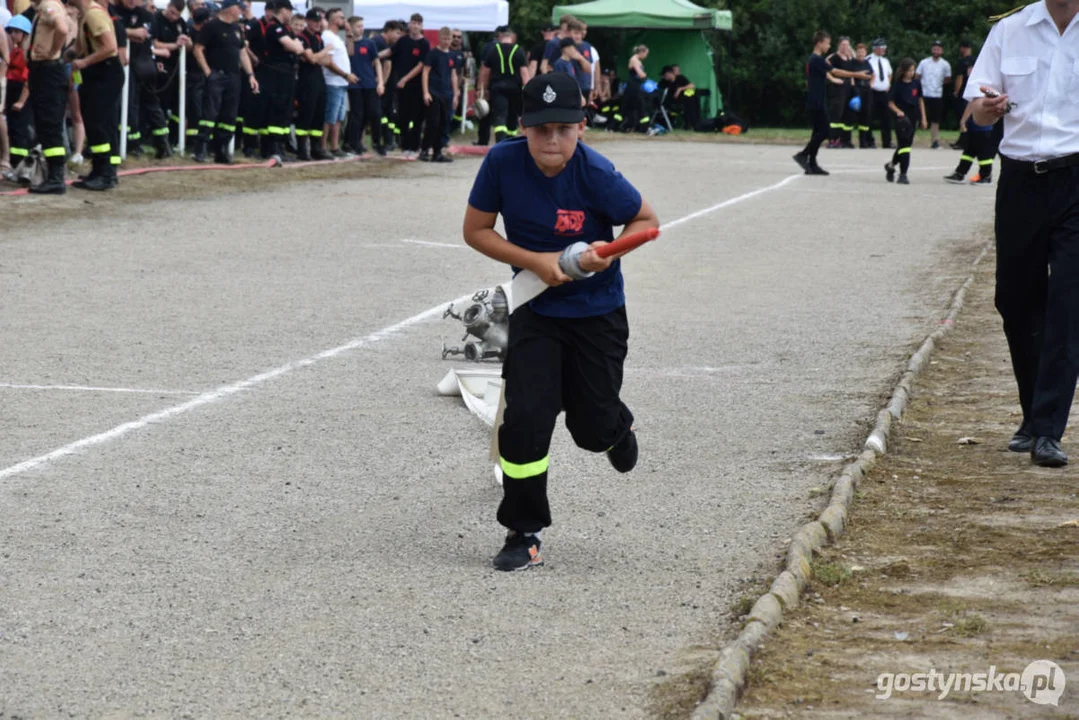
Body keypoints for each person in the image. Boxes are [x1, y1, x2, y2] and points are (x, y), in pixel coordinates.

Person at [462, 72, 659, 571]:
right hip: (536, 311)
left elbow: (646, 222)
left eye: (565, 128)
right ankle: (523, 529)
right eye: (542, 128)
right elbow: (476, 230)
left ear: (582, 127)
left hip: (598, 316)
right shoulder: (502, 163)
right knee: (526, 417)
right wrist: (535, 260)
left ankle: (616, 427)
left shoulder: (595, 172)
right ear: (522, 125)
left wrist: (609, 255)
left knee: (590, 428)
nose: (553, 139)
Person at [965, 0, 1079, 467]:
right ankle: (1033, 415)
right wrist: (988, 110)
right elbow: (976, 112)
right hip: (1020, 180)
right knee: (1014, 299)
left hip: (1076, 179)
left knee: (1068, 302)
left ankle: (1049, 429)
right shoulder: (1010, 30)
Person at [193, 0, 257, 163]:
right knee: (210, 113)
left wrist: (250, 75)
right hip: (217, 75)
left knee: (229, 115)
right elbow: (198, 49)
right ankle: (200, 148)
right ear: (230, 9)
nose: (242, 11)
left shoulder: (236, 28)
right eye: (239, 8)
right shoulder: (212, 26)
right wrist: (208, 72)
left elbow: (242, 53)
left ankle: (221, 150)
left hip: (234, 76)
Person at [70, 0, 121, 190]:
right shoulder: (85, 15)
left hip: (105, 72)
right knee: (94, 122)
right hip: (97, 73)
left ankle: (106, 174)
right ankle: (99, 170)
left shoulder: (93, 14)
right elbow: (80, 47)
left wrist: (85, 62)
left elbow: (110, 47)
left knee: (98, 123)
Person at [27, 0, 71, 193]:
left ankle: (56, 178)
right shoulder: (41, 8)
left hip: (48, 71)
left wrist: (54, 51)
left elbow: (61, 29)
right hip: (42, 70)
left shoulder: (49, 5)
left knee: (50, 123)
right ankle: (52, 175)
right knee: (46, 123)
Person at [259, 0, 303, 160]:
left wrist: (295, 44)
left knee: (285, 110)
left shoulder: (286, 29)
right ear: (284, 10)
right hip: (277, 75)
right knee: (277, 110)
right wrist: (295, 44)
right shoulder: (274, 27)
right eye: (290, 11)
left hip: (286, 74)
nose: (291, 15)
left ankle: (280, 147)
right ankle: (273, 148)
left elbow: (298, 46)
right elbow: (296, 47)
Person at [793, 30, 838, 176]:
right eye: (827, 43)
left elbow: (825, 73)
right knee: (824, 130)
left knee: (817, 131)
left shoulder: (816, 60)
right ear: (819, 43)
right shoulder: (816, 59)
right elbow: (835, 71)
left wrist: (832, 79)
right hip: (816, 101)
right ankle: (803, 154)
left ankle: (812, 163)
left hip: (818, 99)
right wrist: (857, 74)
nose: (829, 46)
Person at [153, 0, 191, 148]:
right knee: (161, 102)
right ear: (168, 7)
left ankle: (174, 137)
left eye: (177, 15)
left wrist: (186, 42)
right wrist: (175, 45)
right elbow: (154, 43)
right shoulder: (156, 18)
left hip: (177, 68)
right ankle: (158, 139)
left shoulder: (181, 23)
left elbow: (189, 46)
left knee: (177, 103)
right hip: (160, 65)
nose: (174, 17)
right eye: (172, 12)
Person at [344, 15, 384, 155]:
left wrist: (380, 82)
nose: (362, 29)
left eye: (362, 26)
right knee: (357, 115)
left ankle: (377, 142)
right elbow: (349, 54)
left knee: (374, 113)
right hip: (354, 85)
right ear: (351, 27)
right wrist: (349, 38)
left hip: (370, 84)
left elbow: (377, 62)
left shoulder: (369, 43)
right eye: (358, 26)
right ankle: (354, 144)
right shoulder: (347, 44)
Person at [479, 24, 525, 144]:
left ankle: (500, 142)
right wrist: (527, 89)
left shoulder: (493, 50)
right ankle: (511, 142)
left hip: (498, 89)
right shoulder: (518, 50)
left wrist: (483, 89)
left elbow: (485, 72)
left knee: (500, 115)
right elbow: (524, 73)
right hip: (515, 89)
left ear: (501, 38)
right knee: (512, 116)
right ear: (512, 38)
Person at [321, 7, 356, 158]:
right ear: (334, 20)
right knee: (329, 116)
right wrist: (345, 74)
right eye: (342, 18)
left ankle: (335, 147)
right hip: (332, 81)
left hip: (341, 83)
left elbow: (350, 53)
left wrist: (349, 36)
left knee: (338, 117)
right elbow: (328, 62)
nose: (345, 21)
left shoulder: (337, 37)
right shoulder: (327, 36)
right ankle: (322, 147)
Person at [884, 57, 926, 184]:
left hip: (913, 117)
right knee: (905, 146)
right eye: (909, 70)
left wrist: (923, 117)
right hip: (901, 118)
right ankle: (903, 174)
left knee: (904, 146)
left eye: (913, 70)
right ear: (903, 71)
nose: (911, 73)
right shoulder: (897, 85)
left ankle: (891, 166)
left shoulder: (916, 84)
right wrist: (898, 111)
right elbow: (890, 103)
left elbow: (920, 100)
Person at [391, 12, 427, 159]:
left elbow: (420, 65)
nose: (415, 26)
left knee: (417, 118)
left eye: (418, 23)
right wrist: (375, 56)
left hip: (416, 86)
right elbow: (391, 52)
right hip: (402, 86)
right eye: (413, 23)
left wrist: (405, 79)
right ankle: (405, 146)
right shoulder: (403, 41)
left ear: (421, 26)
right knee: (403, 116)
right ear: (409, 24)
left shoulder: (424, 44)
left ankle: (415, 146)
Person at [419, 25, 456, 163]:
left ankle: (437, 152)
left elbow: (453, 75)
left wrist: (456, 94)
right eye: (444, 38)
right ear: (439, 38)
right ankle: (424, 149)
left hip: (447, 94)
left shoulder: (452, 56)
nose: (446, 41)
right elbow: (425, 72)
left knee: (444, 123)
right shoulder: (433, 54)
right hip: (434, 93)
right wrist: (426, 92)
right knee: (433, 123)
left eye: (449, 38)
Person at [294, 8, 327, 160]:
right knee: (306, 113)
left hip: (319, 77)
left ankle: (316, 148)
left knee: (319, 114)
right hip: (306, 80)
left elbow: (324, 60)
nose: (317, 24)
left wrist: (318, 56)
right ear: (307, 21)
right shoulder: (302, 37)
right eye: (314, 21)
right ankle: (302, 149)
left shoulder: (318, 38)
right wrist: (325, 52)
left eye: (319, 21)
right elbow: (312, 59)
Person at [5, 14, 33, 179]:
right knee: (14, 132)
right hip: (12, 93)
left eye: (17, 32)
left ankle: (22, 169)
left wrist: (21, 101)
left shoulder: (26, 54)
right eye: (12, 32)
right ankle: (16, 168)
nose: (13, 35)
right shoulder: (16, 51)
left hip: (20, 96)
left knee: (20, 132)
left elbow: (28, 79)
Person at [943, 105, 995, 185]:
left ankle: (986, 176)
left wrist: (963, 120)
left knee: (983, 154)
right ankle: (960, 173)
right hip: (975, 126)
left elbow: (972, 104)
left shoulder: (977, 92)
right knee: (969, 151)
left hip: (981, 127)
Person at [371, 18, 400, 151]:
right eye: (396, 33)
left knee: (388, 114)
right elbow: (386, 65)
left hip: (385, 84)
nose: (398, 37)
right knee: (380, 113)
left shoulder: (384, 43)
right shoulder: (379, 42)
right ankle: (383, 140)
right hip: (382, 85)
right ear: (388, 31)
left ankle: (389, 139)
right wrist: (382, 83)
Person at [915, 41, 951, 148]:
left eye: (938, 49)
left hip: (937, 94)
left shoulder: (945, 64)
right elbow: (917, 76)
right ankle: (909, 138)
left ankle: (934, 140)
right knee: (917, 116)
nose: (936, 51)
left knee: (935, 119)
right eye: (934, 49)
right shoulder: (924, 62)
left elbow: (948, 78)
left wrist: (938, 84)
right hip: (924, 93)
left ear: (942, 51)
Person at [825, 36, 854, 147]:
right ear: (839, 45)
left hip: (848, 89)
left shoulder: (850, 57)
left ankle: (844, 140)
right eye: (843, 44)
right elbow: (824, 69)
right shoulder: (833, 57)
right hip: (837, 89)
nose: (845, 47)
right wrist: (832, 79)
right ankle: (832, 139)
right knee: (836, 114)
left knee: (846, 114)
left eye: (847, 45)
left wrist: (852, 83)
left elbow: (851, 73)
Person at [868, 38, 893, 148]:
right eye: (882, 48)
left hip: (884, 92)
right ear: (875, 48)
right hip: (872, 91)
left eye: (884, 48)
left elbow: (889, 73)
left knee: (886, 118)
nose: (884, 50)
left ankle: (887, 142)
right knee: (870, 117)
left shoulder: (885, 61)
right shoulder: (868, 60)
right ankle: (869, 141)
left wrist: (888, 84)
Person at [951, 39, 974, 150]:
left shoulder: (962, 62)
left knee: (963, 118)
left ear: (962, 48)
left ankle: (963, 141)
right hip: (974, 91)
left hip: (964, 92)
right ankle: (969, 140)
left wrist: (956, 91)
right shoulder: (976, 60)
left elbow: (959, 78)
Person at [851, 43, 874, 147]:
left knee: (866, 115)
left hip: (866, 90)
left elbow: (873, 74)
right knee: (853, 116)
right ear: (856, 52)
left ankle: (863, 141)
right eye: (859, 51)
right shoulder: (852, 63)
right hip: (856, 90)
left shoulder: (867, 63)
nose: (861, 53)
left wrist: (871, 85)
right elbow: (850, 74)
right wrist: (853, 86)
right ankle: (847, 140)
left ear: (866, 53)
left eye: (863, 51)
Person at [622, 44, 648, 133]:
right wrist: (644, 75)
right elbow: (640, 74)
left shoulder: (635, 59)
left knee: (630, 107)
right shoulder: (635, 60)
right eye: (646, 54)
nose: (646, 56)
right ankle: (645, 128)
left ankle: (630, 126)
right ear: (642, 52)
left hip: (633, 86)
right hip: (634, 87)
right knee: (641, 106)